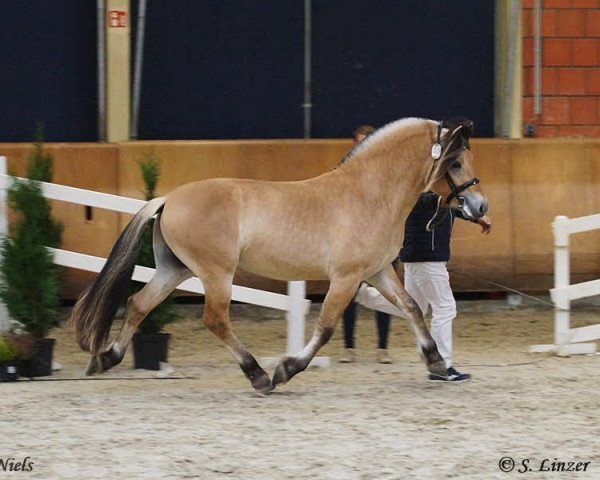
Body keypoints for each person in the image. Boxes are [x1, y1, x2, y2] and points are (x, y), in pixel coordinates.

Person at [355, 192, 491, 381]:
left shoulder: (437, 194)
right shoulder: (424, 192)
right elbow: (438, 200)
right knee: (445, 308)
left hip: (420, 260)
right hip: (428, 260)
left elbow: (451, 207)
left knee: (413, 308)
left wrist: (477, 218)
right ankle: (442, 365)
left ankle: (360, 294)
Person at [340, 125, 393, 364]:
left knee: (384, 292)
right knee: (348, 293)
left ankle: (383, 348)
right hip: (353, 239)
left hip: (380, 239)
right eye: (358, 142)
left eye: (366, 142)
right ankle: (348, 347)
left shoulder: (387, 171)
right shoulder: (345, 169)